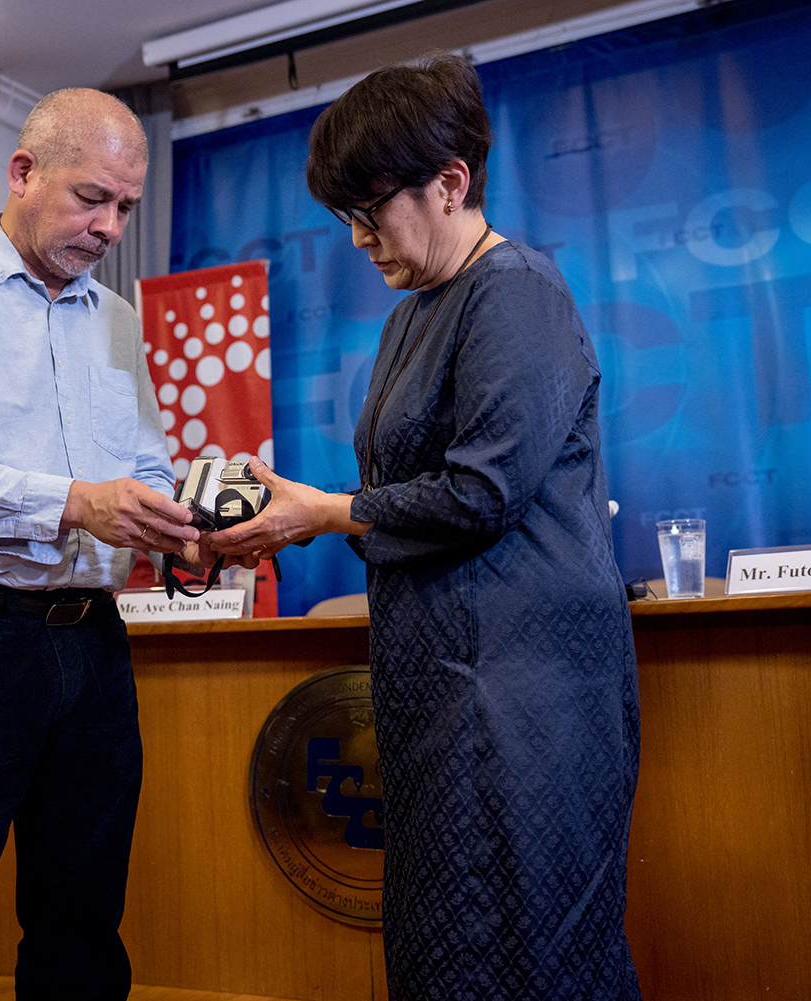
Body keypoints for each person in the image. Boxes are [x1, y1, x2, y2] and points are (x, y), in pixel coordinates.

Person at [210, 54, 642, 1000]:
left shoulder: (517, 290)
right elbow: (399, 496)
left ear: (451, 184)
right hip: (439, 690)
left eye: (372, 211)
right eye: (345, 219)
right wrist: (301, 510)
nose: (359, 239)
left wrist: (323, 512)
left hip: (522, 696)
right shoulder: (411, 317)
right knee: (444, 953)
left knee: (530, 952)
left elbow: (481, 492)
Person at [0, 88, 235, 1000]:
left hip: (93, 641)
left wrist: (193, 528)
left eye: (127, 208)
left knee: (84, 915)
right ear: (22, 173)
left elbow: (142, 469)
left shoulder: (114, 317)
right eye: (91, 198)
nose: (110, 226)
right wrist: (73, 502)